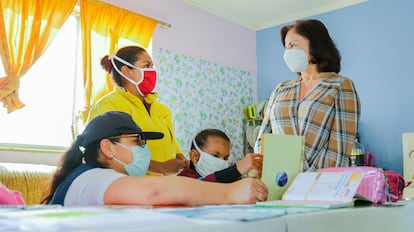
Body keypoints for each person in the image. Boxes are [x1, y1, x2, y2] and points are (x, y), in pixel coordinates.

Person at [42, 111, 268, 206]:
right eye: (137, 142)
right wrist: (230, 192)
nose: (144, 149)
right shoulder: (91, 177)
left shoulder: (90, 176)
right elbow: (155, 191)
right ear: (108, 148)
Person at [254, 19, 361, 171]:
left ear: (315, 45)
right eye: (286, 47)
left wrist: (308, 180)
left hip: (316, 185)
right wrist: (271, 172)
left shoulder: (340, 86)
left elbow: (339, 150)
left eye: (293, 45)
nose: (288, 52)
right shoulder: (281, 89)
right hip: (277, 180)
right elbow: (262, 139)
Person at [88, 46, 186, 176]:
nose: (152, 71)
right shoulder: (108, 105)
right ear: (127, 71)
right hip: (130, 188)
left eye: (152, 66)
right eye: (146, 66)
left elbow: (173, 145)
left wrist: (180, 158)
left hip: (164, 187)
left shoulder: (162, 110)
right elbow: (106, 156)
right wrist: (161, 168)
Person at [178, 129, 263, 182]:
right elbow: (202, 186)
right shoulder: (184, 179)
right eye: (215, 156)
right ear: (195, 157)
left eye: (226, 158)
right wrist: (237, 169)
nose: (221, 162)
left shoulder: (229, 179)